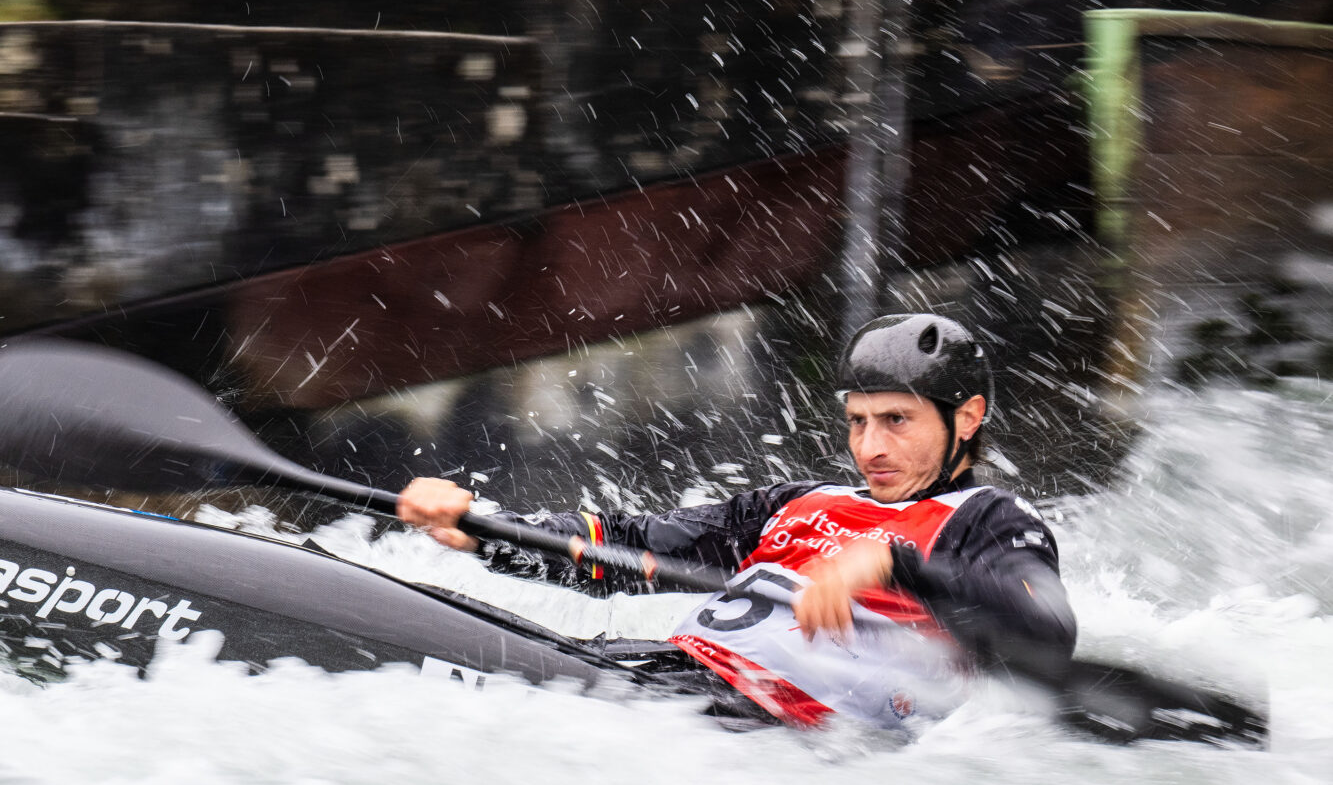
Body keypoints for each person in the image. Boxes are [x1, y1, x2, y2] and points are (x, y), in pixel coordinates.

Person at [397, 313, 1077, 730]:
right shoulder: (792, 504)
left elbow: (1043, 631)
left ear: (965, 417)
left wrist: (893, 563)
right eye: (857, 422)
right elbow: (626, 549)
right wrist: (483, 529)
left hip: (779, 732)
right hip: (667, 679)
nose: (869, 447)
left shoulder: (988, 519)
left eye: (896, 421)